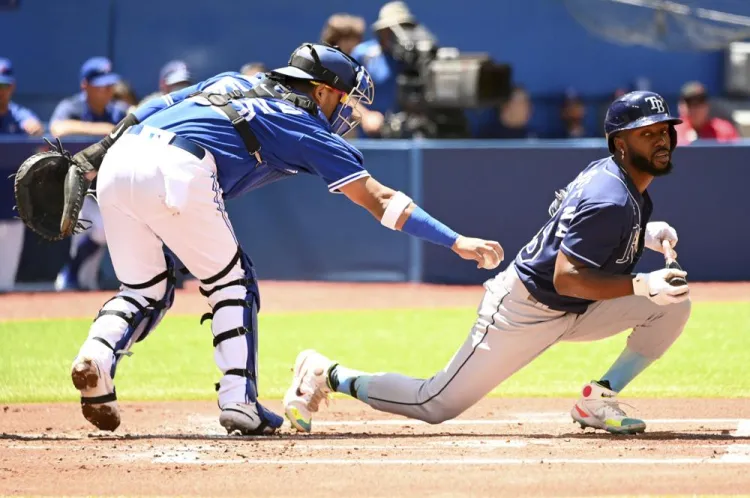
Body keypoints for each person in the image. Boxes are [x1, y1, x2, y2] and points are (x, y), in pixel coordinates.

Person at [67, 43, 503, 435]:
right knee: (232, 283)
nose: (346, 108)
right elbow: (381, 201)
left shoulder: (235, 80)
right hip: (179, 165)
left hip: (120, 159)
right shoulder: (305, 126)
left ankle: (97, 359)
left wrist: (95, 153)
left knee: (143, 289)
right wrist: (455, 240)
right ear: (321, 91)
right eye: (344, 97)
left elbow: (154, 106)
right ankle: (238, 401)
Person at [283, 91, 692, 436]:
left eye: (664, 131)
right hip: (526, 308)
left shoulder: (618, 181)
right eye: (647, 133)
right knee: (435, 403)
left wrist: (642, 232)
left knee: (673, 302)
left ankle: (599, 399)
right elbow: (568, 279)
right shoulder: (612, 196)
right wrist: (641, 284)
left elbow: (575, 227)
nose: (661, 140)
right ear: (621, 143)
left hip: (578, 307)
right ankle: (326, 373)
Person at [51, 56, 130, 291]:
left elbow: (134, 122)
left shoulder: (117, 111)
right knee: (92, 232)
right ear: (85, 85)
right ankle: (71, 280)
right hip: (75, 188)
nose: (107, 91)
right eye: (101, 85)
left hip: (107, 187)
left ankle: (74, 277)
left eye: (109, 85)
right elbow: (58, 128)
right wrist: (104, 130)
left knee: (102, 234)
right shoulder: (72, 106)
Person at [674, 81, 739, 145]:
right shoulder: (671, 131)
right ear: (680, 106)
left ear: (707, 105)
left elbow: (737, 153)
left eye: (699, 103)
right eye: (690, 104)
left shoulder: (725, 130)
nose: (695, 109)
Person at [0, 57, 43, 136]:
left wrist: (35, 128)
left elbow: (33, 124)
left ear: (12, 86)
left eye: (4, 85)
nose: (0, 91)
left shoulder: (18, 113)